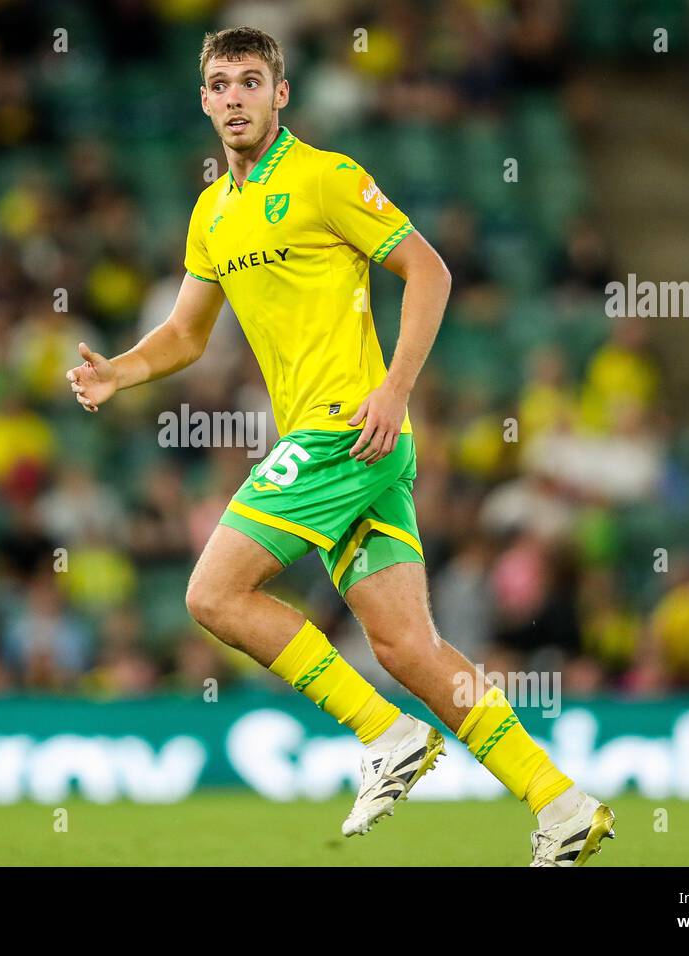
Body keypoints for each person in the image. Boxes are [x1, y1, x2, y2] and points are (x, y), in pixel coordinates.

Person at [66, 27, 615, 866]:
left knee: (211, 595)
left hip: (345, 426)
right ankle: (561, 801)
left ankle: (384, 733)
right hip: (347, 446)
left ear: (281, 94)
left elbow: (430, 271)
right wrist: (121, 373)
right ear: (204, 99)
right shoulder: (213, 212)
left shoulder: (327, 177)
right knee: (408, 649)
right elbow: (185, 333)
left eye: (253, 80)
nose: (236, 97)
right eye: (221, 83)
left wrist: (395, 389)